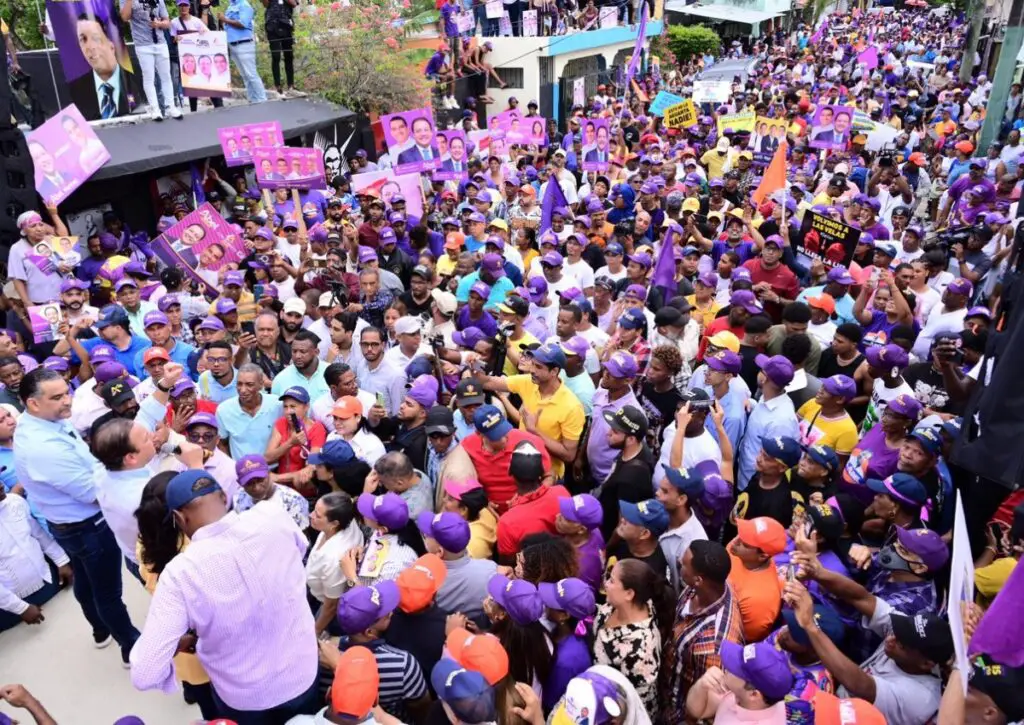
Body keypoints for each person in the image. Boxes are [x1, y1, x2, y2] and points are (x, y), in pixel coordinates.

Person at [129, 470, 320, 719]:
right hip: (302, 673)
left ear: (178, 517)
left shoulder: (180, 574)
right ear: (224, 497)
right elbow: (300, 548)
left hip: (245, 698)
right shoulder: (272, 515)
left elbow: (144, 673)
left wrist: (177, 643)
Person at [14, 367, 140, 665]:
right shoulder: (43, 447)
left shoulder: (47, 422)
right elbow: (92, 492)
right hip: (88, 527)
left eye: (67, 392)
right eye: (57, 397)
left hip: (71, 526)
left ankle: (99, 629)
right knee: (108, 593)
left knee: (86, 580)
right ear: (33, 403)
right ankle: (131, 647)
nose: (67, 401)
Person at [593, 558, 670, 719]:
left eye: (612, 581)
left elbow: (636, 706)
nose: (606, 584)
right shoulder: (617, 603)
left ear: (629, 594)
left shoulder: (640, 653)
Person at [0, 484, 73, 632]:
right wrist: (21, 608)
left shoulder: (15, 502)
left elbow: (39, 535)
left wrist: (62, 561)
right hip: (12, 611)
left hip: (48, 583)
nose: (1, 485)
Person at [306, 491, 363, 637]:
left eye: (318, 515)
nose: (311, 515)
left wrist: (315, 631)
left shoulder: (333, 557)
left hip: (325, 603)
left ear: (334, 524)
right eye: (314, 510)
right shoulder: (348, 518)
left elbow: (331, 606)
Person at [120, 0, 182, 121]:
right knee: (149, 77)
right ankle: (155, 109)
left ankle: (171, 107)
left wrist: (159, 24)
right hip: (143, 44)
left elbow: (167, 22)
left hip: (160, 42)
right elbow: (125, 17)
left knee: (166, 76)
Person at [68, 13, 137, 119]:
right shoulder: (75, 90)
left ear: (111, 44)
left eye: (96, 38)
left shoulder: (136, 81)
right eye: (83, 40)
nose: (90, 47)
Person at [219, 0, 267, 102]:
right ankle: (252, 100)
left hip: (244, 43)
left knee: (251, 74)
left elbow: (243, 23)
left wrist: (225, 20)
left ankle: (262, 100)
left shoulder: (244, 5)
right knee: (244, 75)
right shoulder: (231, 5)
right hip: (232, 44)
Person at [262, 0, 296, 95]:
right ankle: (277, 85)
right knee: (276, 56)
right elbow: (265, 4)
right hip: (272, 27)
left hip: (286, 26)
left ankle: (291, 84)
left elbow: (293, 4)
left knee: (289, 56)